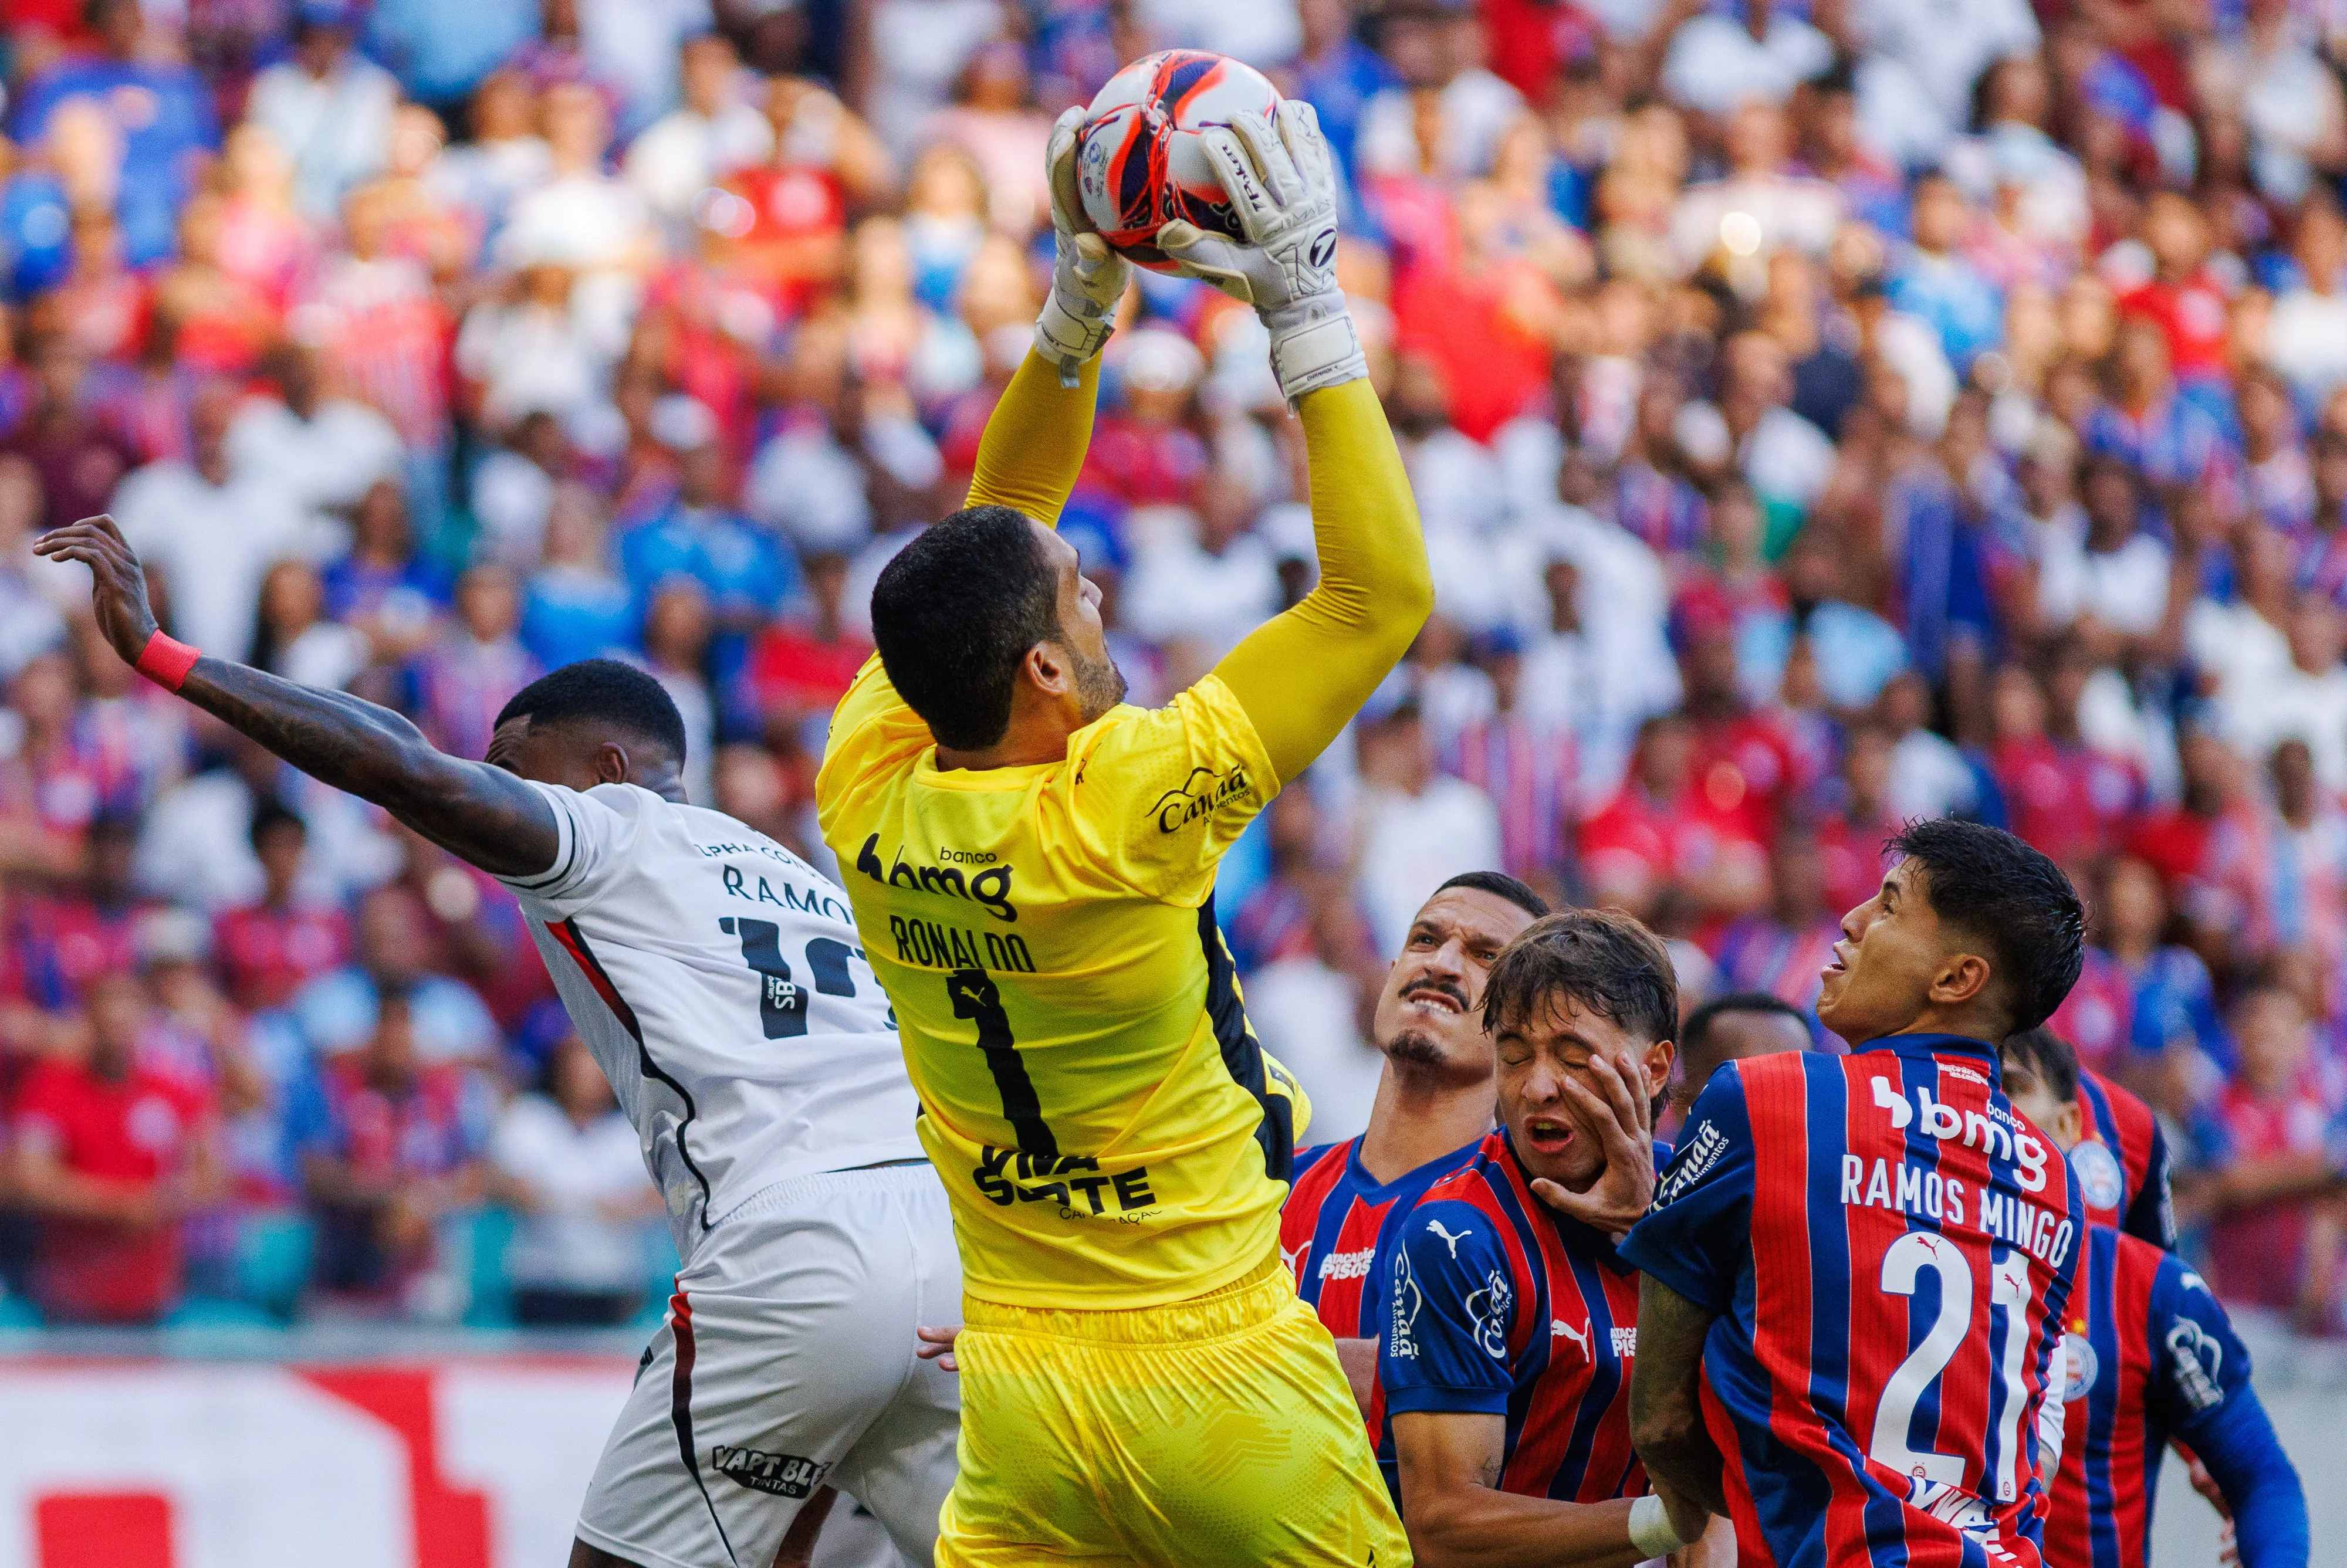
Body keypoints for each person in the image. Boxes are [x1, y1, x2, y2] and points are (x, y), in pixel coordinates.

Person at [36, 500, 957, 1568]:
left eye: (514, 766)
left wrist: (164, 653)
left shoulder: (614, 830)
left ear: (606, 766)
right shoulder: (800, 879)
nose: (494, 790)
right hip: (941, 1244)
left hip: (795, 1241)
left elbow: (404, 765)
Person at [816, 99, 1429, 1565]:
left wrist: (1075, 309)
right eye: (1080, 599)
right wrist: (1303, 304)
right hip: (1215, 1359)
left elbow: (999, 516)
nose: (1098, 611)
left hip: (1017, 1380)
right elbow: (1375, 598)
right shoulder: (1124, 803)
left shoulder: (869, 765)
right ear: (1039, 668)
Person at [1624, 817, 2089, 1563]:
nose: (1851, 920)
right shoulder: (2055, 1179)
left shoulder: (1767, 1099)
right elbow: (2034, 1456)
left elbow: (1662, 1424)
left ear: (1955, 979)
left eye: (1890, 906)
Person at [1379, 909, 1717, 1564]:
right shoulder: (1455, 1234)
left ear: (1653, 1069)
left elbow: (1724, 1484)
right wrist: (1664, 1522)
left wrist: (1647, 1239)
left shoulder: (1709, 1213)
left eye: (1572, 1057)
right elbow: (1444, 1528)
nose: (1536, 1088)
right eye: (1512, 1056)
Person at [1999, 1027, 2309, 1568]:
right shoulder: (1877, 1259)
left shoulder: (2143, 1286)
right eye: (1969, 1093)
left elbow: (2261, 1476)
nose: (1984, 1113)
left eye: (2008, 1088)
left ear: (2071, 1125)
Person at [1281, 871, 1550, 1413]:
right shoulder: (1272, 1185)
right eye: (1425, 939)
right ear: (1388, 976)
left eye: (1485, 956)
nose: (1443, 963)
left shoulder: (1532, 1213)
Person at [1659, 990, 1818, 1139]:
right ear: (1685, 1105)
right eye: (1755, 1090)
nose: (1781, 1110)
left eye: (1796, 1088)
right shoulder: (1648, 1168)